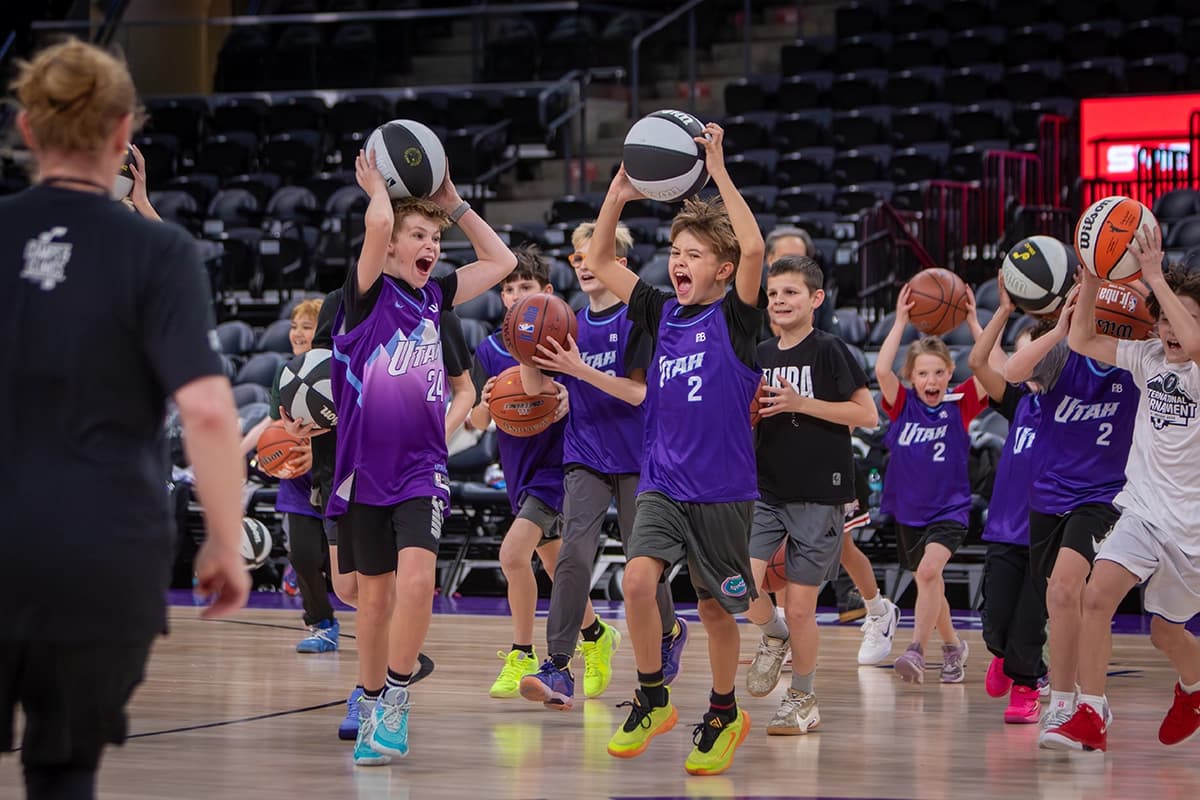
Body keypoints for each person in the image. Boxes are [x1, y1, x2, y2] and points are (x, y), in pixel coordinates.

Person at [1, 40, 248, 800]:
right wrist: (226, 542)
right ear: (121, 136)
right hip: (106, 552)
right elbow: (206, 409)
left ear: (27, 130)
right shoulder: (160, 252)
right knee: (64, 771)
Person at [589, 123, 764, 776]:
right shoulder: (662, 313)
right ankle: (653, 696)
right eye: (675, 251)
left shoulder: (740, 318)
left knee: (717, 609)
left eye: (694, 254)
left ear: (721, 269)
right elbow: (605, 263)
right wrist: (616, 195)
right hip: (662, 481)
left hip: (721, 493)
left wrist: (716, 169)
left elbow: (753, 247)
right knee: (637, 582)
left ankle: (722, 711)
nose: (680, 262)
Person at [332, 149, 516, 766]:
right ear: (387, 248)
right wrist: (377, 187)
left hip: (420, 467)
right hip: (362, 468)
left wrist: (453, 205)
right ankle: (369, 695)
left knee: (417, 582)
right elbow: (379, 227)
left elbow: (503, 262)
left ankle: (396, 702)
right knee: (374, 599)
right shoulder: (363, 295)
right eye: (420, 234)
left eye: (435, 237)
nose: (431, 244)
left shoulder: (435, 299)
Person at [517, 222, 687, 710]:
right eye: (577, 257)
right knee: (573, 553)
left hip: (640, 457)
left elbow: (638, 393)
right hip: (584, 453)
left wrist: (579, 371)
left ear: (621, 265)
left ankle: (670, 631)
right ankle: (559, 666)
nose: (586, 264)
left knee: (642, 560)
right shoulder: (562, 319)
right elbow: (533, 389)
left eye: (597, 256)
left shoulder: (639, 321)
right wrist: (525, 348)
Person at [1043, 227, 1200, 752]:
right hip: (1141, 510)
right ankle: (1091, 713)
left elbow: (1194, 343)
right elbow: (1082, 340)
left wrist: (1155, 277)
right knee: (1096, 596)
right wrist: (1090, 281)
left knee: (1165, 633)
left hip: (1193, 528)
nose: (1174, 331)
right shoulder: (1149, 358)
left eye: (1188, 317)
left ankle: (1194, 689)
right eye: (1166, 318)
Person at [741, 254, 880, 734]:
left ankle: (803, 697)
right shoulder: (758, 353)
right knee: (737, 585)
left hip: (821, 493)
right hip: (765, 489)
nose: (779, 300)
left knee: (801, 607)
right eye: (774, 293)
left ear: (815, 299)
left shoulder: (829, 350)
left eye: (791, 292)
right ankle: (772, 635)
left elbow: (867, 415)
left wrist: (802, 404)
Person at [1001, 280, 1137, 747]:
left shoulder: (1137, 362)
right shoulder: (1064, 354)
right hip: (1049, 494)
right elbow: (1013, 372)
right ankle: (1071, 697)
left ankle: (1070, 705)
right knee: (1060, 600)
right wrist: (1059, 328)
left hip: (1103, 496)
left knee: (1064, 586)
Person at [465, 245, 577, 699]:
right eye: (508, 289)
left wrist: (570, 394)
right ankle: (595, 634)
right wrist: (486, 400)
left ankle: (522, 652)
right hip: (516, 468)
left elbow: (586, 395)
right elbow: (475, 422)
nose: (514, 296)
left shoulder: (563, 342)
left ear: (546, 293)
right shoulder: (489, 349)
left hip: (558, 467)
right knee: (554, 565)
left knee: (513, 556)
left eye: (524, 287)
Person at [876, 286, 988, 684]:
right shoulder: (902, 404)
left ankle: (917, 651)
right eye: (923, 373)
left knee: (926, 573)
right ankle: (954, 647)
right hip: (909, 510)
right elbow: (881, 371)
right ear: (912, 377)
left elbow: (995, 367)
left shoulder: (962, 403)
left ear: (950, 374)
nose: (932, 379)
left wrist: (975, 323)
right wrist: (901, 321)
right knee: (929, 581)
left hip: (950, 509)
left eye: (939, 371)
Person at [967, 276, 1049, 724]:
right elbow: (979, 361)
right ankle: (1003, 657)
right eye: (1020, 353)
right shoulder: (1019, 403)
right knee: (994, 622)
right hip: (1004, 528)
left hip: (1047, 529)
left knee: (1028, 623)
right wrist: (1001, 311)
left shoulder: (1070, 406)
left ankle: (1027, 685)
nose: (1024, 360)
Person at [241, 299, 340, 653]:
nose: (298, 333)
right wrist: (241, 454)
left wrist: (318, 451)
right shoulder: (285, 373)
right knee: (302, 555)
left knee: (349, 564)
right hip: (297, 479)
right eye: (295, 325)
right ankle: (322, 624)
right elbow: (273, 425)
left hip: (336, 473)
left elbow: (355, 427)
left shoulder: (337, 370)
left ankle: (382, 623)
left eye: (307, 326)